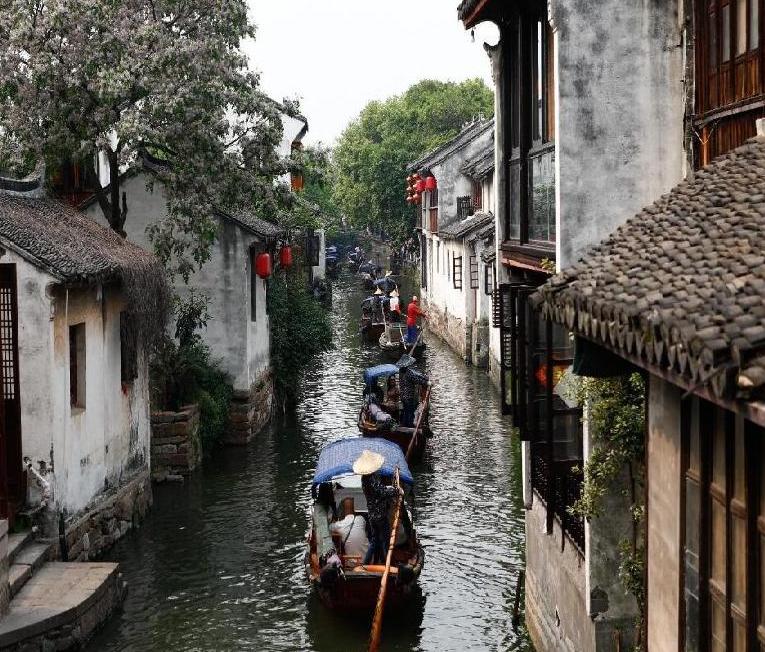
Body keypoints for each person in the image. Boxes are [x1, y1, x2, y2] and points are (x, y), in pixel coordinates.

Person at [353, 450, 402, 565]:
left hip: (372, 514)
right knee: (385, 540)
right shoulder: (372, 479)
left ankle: (367, 563)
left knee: (375, 540)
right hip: (379, 515)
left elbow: (379, 491)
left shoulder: (364, 479)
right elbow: (382, 492)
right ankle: (386, 563)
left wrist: (389, 489)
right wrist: (396, 491)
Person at [330, 497, 368, 561]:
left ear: (343, 510)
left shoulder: (340, 525)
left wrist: (335, 522)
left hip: (352, 563)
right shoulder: (361, 519)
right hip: (367, 560)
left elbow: (329, 527)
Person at [398, 358, 430, 427]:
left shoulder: (400, 372)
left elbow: (416, 376)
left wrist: (423, 378)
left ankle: (404, 425)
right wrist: (426, 382)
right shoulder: (408, 373)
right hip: (408, 396)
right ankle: (410, 426)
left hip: (403, 396)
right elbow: (417, 379)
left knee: (405, 411)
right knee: (410, 411)